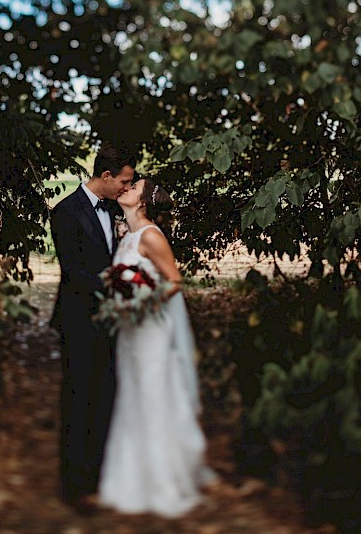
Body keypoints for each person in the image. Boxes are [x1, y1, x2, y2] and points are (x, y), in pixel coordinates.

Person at [98, 177, 216, 518]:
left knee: (152, 397)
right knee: (131, 396)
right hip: (129, 331)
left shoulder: (150, 236)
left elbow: (174, 282)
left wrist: (142, 305)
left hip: (150, 328)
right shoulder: (127, 234)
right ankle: (131, 481)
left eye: (133, 187)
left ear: (143, 201)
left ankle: (162, 482)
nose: (126, 188)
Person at [49, 145, 136, 512]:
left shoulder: (117, 210)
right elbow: (74, 271)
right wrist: (120, 288)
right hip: (79, 321)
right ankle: (74, 486)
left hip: (112, 322)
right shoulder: (65, 212)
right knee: (78, 400)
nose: (127, 188)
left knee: (105, 398)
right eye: (124, 181)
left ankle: (99, 476)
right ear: (105, 176)